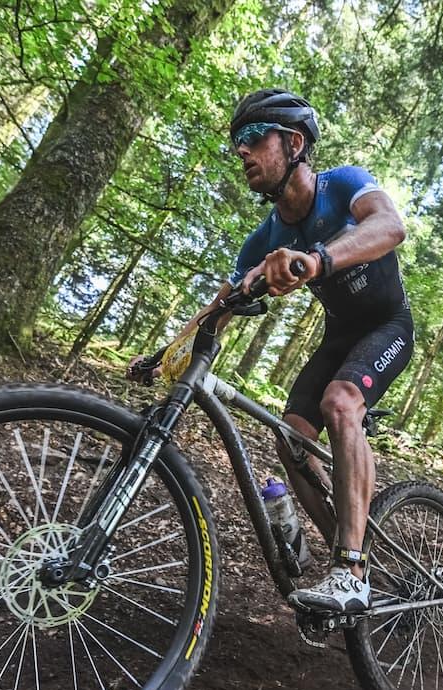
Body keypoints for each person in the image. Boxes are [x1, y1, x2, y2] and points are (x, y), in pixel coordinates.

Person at [128, 88, 413, 613]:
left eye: (254, 137)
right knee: (291, 439)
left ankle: (351, 572)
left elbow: (389, 226)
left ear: (295, 143)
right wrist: (166, 352)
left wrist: (316, 259)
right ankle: (349, 555)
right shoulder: (264, 238)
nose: (242, 150)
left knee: (340, 403)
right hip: (339, 335)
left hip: (387, 326)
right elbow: (218, 306)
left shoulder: (342, 184)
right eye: (237, 141)